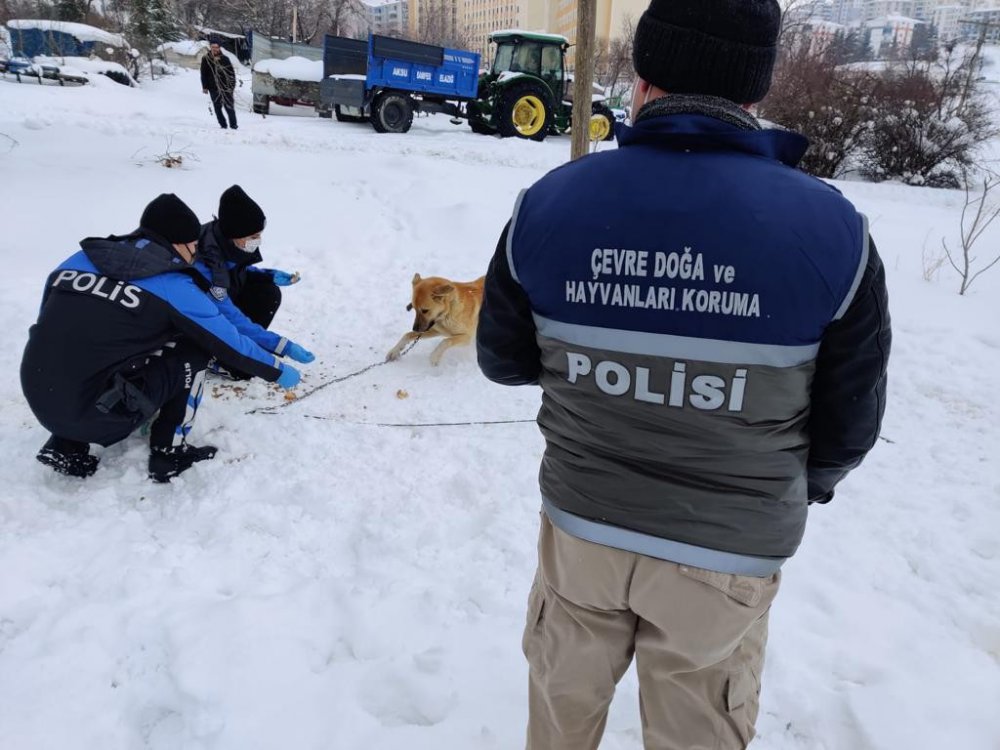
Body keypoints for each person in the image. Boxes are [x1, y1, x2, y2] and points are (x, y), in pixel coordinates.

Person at [476, 1, 892, 748]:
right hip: (727, 555)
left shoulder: (548, 204)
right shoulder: (835, 233)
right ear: (755, 92)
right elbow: (850, 422)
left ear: (642, 77)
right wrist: (796, 485)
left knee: (561, 713)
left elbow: (503, 361)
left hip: (582, 531)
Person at [20, 194, 312, 483]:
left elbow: (50, 325)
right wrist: (276, 369)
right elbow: (228, 341)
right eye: (194, 246)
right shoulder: (174, 285)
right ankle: (169, 452)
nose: (196, 253)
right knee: (194, 347)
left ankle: (65, 444)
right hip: (95, 416)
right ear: (177, 244)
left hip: (37, 393)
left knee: (94, 341)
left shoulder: (78, 260)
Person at [197, 185, 303, 379]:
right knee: (245, 367)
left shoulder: (224, 239)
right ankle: (225, 359)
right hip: (200, 319)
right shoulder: (207, 262)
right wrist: (281, 345)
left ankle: (241, 352)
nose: (258, 241)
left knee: (267, 291)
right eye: (254, 236)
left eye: (260, 235)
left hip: (221, 301)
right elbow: (228, 315)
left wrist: (268, 275)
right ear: (235, 234)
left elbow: (237, 269)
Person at [201, 39, 238, 130]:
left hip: (226, 88)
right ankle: (223, 125)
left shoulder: (225, 59)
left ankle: (233, 126)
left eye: (216, 47)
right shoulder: (206, 59)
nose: (214, 49)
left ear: (219, 48)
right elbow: (203, 74)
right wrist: (205, 87)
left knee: (229, 107)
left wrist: (231, 87)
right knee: (217, 108)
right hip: (213, 87)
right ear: (210, 47)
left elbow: (231, 74)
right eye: (213, 47)